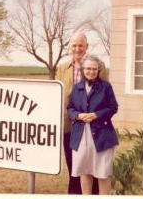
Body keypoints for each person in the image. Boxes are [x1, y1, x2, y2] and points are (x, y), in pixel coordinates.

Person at [55, 33, 107, 194]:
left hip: (91, 127)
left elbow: (104, 94)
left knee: (91, 168)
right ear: (70, 47)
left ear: (87, 47)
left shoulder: (98, 66)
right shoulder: (62, 68)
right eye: (74, 45)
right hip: (69, 126)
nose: (77, 49)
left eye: (81, 45)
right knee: (73, 168)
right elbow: (59, 95)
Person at [67, 54, 118, 195]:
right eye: (88, 68)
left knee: (102, 174)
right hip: (80, 137)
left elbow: (113, 107)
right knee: (85, 171)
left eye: (94, 69)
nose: (91, 71)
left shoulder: (106, 87)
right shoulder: (77, 87)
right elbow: (70, 108)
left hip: (102, 137)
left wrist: (97, 115)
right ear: (83, 69)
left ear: (99, 70)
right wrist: (77, 115)